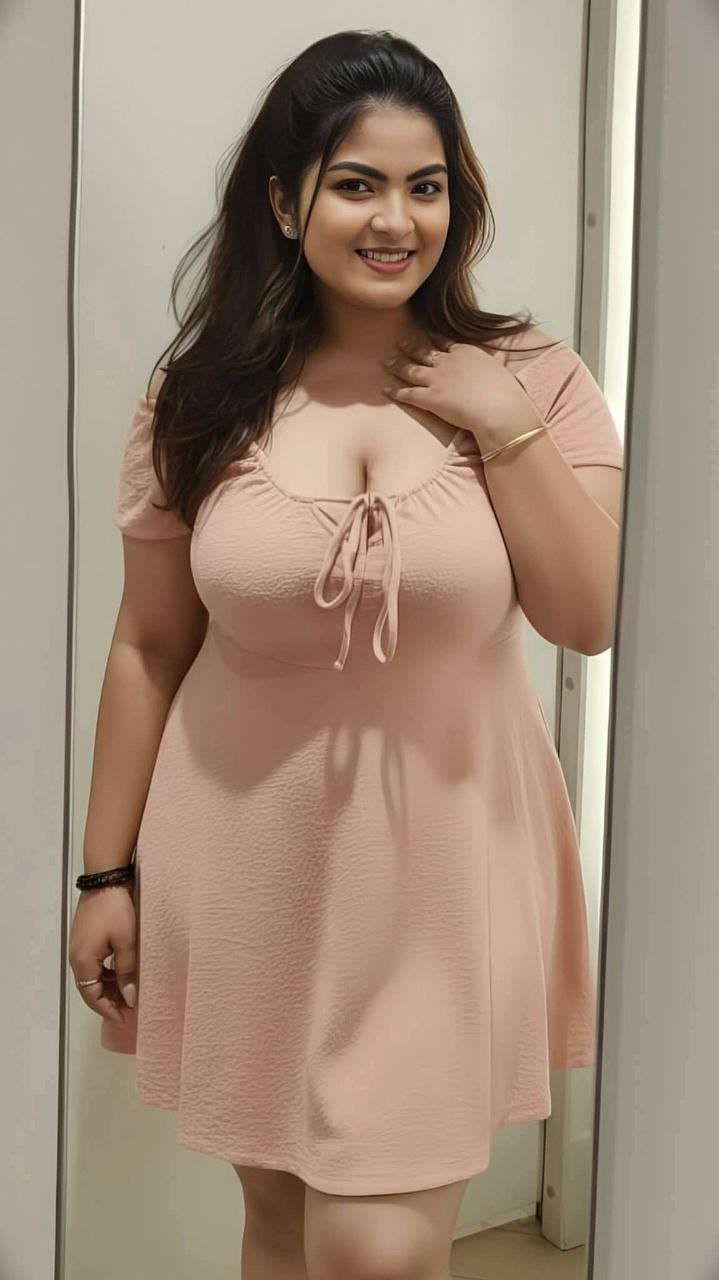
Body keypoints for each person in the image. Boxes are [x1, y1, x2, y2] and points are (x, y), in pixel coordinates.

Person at [69, 28, 624, 1280]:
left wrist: (504, 426)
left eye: (424, 186)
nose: (394, 220)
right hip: (243, 861)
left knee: (374, 1251)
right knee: (277, 1220)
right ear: (284, 201)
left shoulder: (533, 377)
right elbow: (149, 644)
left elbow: (588, 614)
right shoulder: (200, 397)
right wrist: (105, 872)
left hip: (445, 873)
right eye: (356, 183)